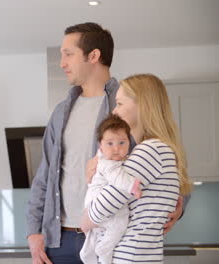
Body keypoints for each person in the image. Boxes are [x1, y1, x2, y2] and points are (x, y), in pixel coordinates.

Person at [26, 22, 185, 264]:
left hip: (113, 238)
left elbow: (167, 159)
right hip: (59, 240)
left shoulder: (129, 105)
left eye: (68, 54)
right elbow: (44, 175)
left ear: (93, 56)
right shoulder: (60, 112)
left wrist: (179, 206)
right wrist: (33, 231)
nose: (62, 63)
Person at [80, 73, 192, 263]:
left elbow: (106, 203)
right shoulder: (155, 150)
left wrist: (85, 219)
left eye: (120, 104)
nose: (114, 111)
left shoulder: (151, 150)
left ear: (143, 105)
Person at [79, 114, 142, 264]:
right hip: (99, 200)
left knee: (97, 232)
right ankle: (104, 250)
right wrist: (134, 187)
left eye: (122, 142)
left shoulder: (104, 159)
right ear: (100, 144)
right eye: (110, 143)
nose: (116, 149)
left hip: (93, 202)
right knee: (120, 223)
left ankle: (87, 253)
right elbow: (117, 177)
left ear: (129, 142)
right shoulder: (107, 163)